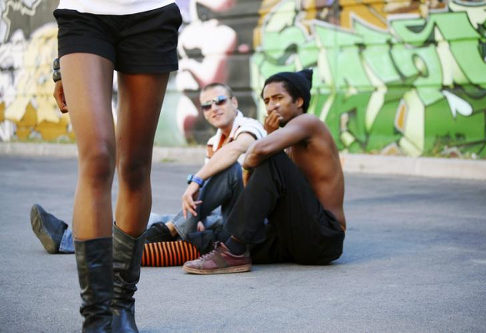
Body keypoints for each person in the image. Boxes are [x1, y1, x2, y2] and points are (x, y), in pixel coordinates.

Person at [51, 1, 182, 332]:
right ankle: (96, 318)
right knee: (97, 156)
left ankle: (120, 303)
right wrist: (61, 64)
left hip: (151, 16)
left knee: (135, 166)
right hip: (84, 17)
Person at [31, 82, 266, 260]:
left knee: (227, 173)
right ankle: (68, 240)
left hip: (251, 220)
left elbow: (236, 151)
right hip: (224, 216)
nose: (213, 108)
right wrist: (200, 216)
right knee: (148, 220)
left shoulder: (250, 126)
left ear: (234, 102)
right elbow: (215, 193)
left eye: (220, 101)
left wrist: (196, 180)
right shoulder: (214, 142)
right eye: (206, 105)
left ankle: (172, 228)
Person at [182, 69, 346, 275]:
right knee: (215, 238)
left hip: (324, 237)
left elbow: (258, 151)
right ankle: (150, 246)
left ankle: (232, 253)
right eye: (267, 101)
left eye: (278, 98)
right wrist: (270, 135)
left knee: (269, 158)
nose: (271, 106)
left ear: (299, 101)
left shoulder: (308, 123)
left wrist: (249, 165)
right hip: (294, 238)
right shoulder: (287, 142)